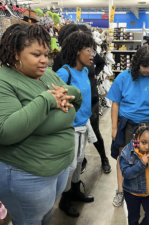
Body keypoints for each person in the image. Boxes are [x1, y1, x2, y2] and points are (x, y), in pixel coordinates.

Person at [0, 23, 82, 225]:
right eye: (36, 55)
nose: (44, 60)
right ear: (16, 53)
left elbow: (75, 101)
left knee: (44, 216)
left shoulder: (47, 74)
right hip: (24, 172)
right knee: (29, 220)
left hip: (58, 167)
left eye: (46, 54)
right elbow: (5, 131)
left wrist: (70, 95)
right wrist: (48, 101)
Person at [107, 46, 149, 207]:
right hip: (127, 124)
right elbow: (115, 104)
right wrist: (114, 128)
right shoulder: (123, 77)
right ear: (137, 63)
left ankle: (148, 189)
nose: (148, 70)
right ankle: (120, 190)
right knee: (124, 156)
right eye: (145, 66)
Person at [52, 24, 111, 174]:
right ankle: (72, 181)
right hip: (73, 113)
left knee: (94, 133)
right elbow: (56, 86)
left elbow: (101, 62)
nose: (92, 54)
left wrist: (96, 74)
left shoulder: (86, 63)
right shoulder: (63, 64)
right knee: (74, 154)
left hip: (90, 101)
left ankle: (103, 158)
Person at [56, 31, 96, 218]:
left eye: (93, 50)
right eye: (89, 49)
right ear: (77, 51)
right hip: (69, 128)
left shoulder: (86, 71)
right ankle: (64, 199)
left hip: (83, 124)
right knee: (70, 165)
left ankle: (75, 191)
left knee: (79, 161)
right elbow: (51, 96)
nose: (93, 54)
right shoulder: (65, 72)